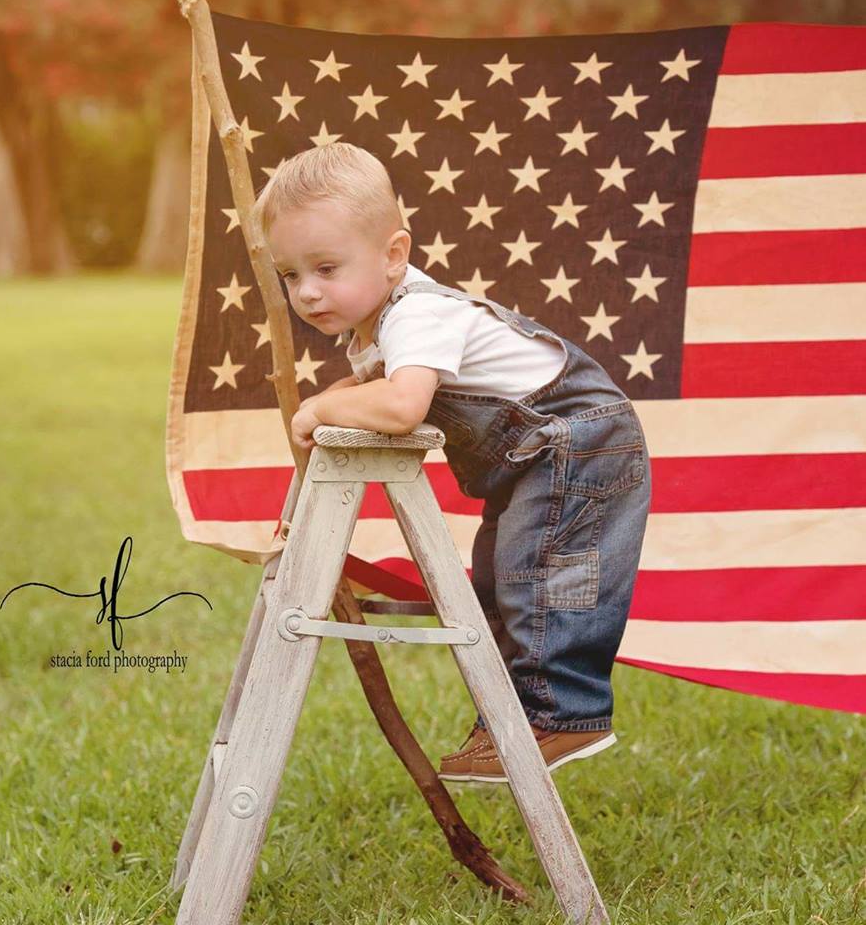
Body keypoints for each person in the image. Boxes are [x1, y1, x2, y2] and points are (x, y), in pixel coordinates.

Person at [252, 141, 652, 783]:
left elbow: (404, 405)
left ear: (393, 256)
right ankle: (510, 721)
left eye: (326, 268)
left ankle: (565, 716)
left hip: (579, 442)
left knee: (543, 576)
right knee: (496, 579)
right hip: (537, 455)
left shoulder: (421, 313)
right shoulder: (377, 328)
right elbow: (372, 388)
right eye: (291, 275)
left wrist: (320, 411)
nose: (307, 293)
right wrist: (330, 404)